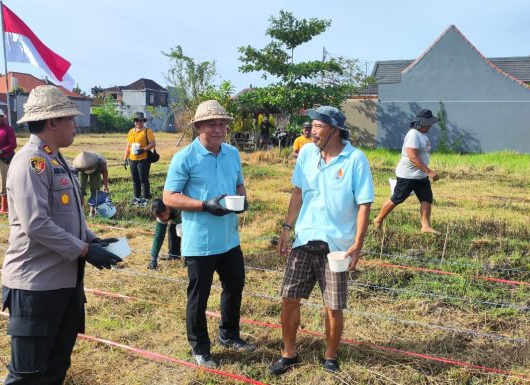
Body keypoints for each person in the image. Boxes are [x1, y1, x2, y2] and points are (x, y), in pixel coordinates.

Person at [1, 85, 123, 385]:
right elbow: (36, 224)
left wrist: (92, 239)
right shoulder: (31, 163)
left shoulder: (56, 160)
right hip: (36, 285)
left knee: (56, 366)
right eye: (70, 119)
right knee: (27, 374)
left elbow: (66, 216)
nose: (75, 125)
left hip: (64, 282)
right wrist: (83, 250)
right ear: (52, 122)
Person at [272, 106, 374, 375]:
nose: (312, 131)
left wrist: (358, 243)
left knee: (333, 305)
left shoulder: (355, 159)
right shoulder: (306, 153)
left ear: (335, 130)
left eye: (318, 126)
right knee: (289, 298)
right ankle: (289, 353)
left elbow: (364, 204)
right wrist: (286, 228)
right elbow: (298, 192)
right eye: (312, 126)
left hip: (337, 247)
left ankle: (330, 356)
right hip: (304, 237)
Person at [163, 100, 255, 368]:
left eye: (222, 124)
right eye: (212, 124)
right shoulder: (185, 158)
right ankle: (200, 348)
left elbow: (238, 184)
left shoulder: (231, 154)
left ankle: (229, 335)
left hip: (229, 238)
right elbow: (169, 197)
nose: (218, 129)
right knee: (198, 296)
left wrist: (242, 200)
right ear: (198, 127)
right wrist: (205, 205)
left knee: (235, 286)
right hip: (200, 241)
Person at [373, 108, 441, 234]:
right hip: (408, 175)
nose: (431, 125)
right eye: (429, 123)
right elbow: (413, 157)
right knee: (397, 198)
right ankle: (378, 219)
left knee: (426, 198)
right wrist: (429, 172)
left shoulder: (423, 135)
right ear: (422, 122)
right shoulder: (413, 135)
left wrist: (424, 172)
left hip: (420, 174)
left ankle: (425, 226)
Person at [124, 111, 155, 207]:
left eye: (140, 120)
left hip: (143, 159)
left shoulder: (147, 131)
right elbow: (128, 146)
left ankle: (145, 198)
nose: (139, 122)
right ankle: (137, 198)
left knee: (143, 179)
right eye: (137, 120)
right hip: (132, 159)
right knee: (135, 179)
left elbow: (152, 144)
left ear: (143, 121)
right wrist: (125, 158)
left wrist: (144, 150)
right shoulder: (131, 132)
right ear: (134, 121)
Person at [147, 198, 182, 270]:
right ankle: (174, 255)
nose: (161, 219)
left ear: (167, 208)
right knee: (173, 227)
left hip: (189, 219)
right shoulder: (161, 215)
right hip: (177, 220)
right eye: (159, 217)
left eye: (162, 216)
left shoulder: (178, 206)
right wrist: (153, 259)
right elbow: (158, 237)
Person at [72, 151, 109, 217]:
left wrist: (105, 185)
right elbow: (73, 177)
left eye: (89, 167)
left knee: (95, 191)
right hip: (82, 172)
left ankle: (92, 212)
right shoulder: (77, 165)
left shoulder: (100, 162)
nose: (88, 169)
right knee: (80, 191)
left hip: (96, 171)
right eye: (86, 168)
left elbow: (105, 171)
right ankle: (80, 212)